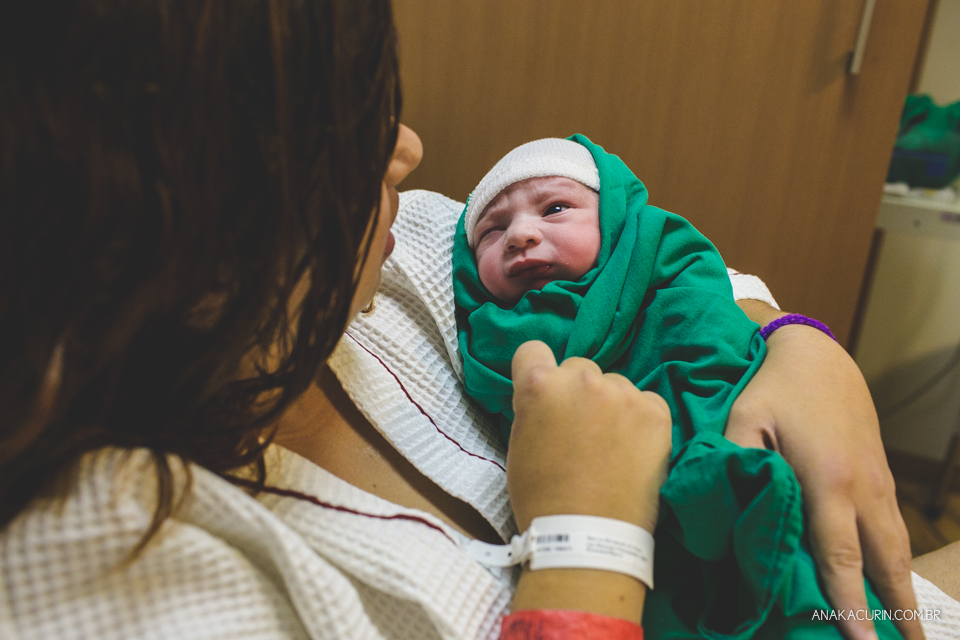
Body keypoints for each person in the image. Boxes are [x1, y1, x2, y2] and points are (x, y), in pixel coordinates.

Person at [0, 1, 954, 639]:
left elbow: (656, 256)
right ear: (193, 213)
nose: (409, 149)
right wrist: (589, 538)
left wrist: (796, 345)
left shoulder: (410, 247)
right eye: (350, 132)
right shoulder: (101, 558)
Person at [451, 135, 903, 638]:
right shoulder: (490, 338)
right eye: (492, 230)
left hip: (727, 459)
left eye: (555, 208)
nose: (520, 234)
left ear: (617, 220)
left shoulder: (666, 269)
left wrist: (801, 343)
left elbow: (717, 332)